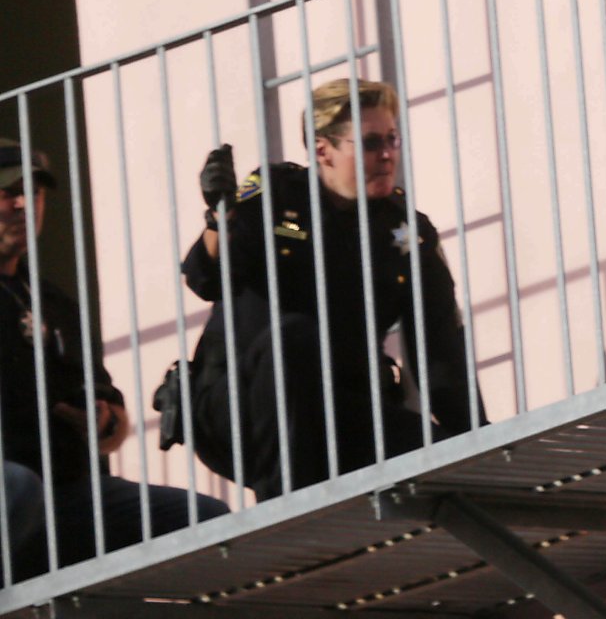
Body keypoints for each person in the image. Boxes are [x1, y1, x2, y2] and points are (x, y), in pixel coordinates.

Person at [182, 79, 485, 500]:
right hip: (241, 408)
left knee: (447, 470)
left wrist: (485, 448)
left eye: (392, 140)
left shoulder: (405, 231)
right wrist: (220, 218)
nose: (386, 155)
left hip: (339, 409)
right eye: (369, 143)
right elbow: (205, 278)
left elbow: (441, 356)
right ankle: (283, 520)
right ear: (323, 150)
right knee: (296, 338)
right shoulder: (274, 195)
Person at [0, 138, 227, 574]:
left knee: (205, 520)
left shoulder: (51, 301)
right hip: (13, 487)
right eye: (9, 192)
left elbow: (111, 414)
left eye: (36, 192)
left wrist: (101, 418)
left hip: (64, 489)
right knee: (17, 489)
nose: (26, 204)